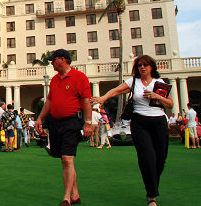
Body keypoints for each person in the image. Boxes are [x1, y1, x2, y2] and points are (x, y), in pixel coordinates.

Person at [91, 55, 173, 206]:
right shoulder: (134, 82)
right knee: (147, 158)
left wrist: (156, 96)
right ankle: (152, 195)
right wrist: (103, 98)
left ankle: (153, 183)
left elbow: (170, 104)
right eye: (140, 65)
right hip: (140, 122)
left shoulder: (159, 83)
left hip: (159, 122)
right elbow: (116, 91)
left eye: (146, 65)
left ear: (151, 67)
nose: (143, 67)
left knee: (160, 159)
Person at [35, 49, 92, 206]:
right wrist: (40, 118)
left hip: (72, 122)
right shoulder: (54, 80)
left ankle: (66, 198)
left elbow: (86, 101)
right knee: (65, 160)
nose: (51, 63)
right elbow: (49, 102)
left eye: (53, 60)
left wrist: (88, 122)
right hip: (55, 122)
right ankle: (76, 194)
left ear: (63, 60)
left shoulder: (80, 77)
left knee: (67, 158)